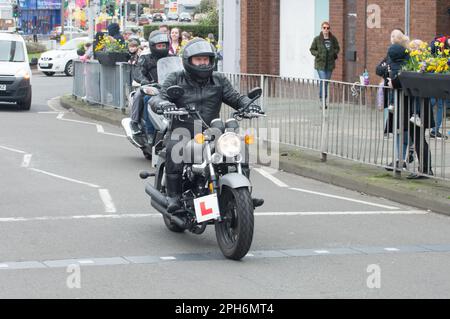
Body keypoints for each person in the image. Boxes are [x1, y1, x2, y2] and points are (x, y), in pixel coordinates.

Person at [149, 38, 265, 213]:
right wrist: (163, 104)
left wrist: (248, 104)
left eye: (206, 60)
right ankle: (174, 196)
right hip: (184, 129)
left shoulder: (218, 80)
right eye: (199, 60)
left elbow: (235, 97)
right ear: (189, 61)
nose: (203, 64)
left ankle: (242, 195)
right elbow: (158, 97)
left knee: (238, 146)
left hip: (212, 130)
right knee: (175, 148)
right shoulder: (176, 78)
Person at [387, 44, 434, 179]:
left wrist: (393, 83)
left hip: (417, 111)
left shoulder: (413, 66)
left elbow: (402, 80)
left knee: (419, 139)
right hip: (417, 109)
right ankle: (425, 169)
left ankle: (425, 170)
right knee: (418, 139)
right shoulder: (413, 64)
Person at [129, 31, 170, 139]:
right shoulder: (145, 58)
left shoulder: (172, 58)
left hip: (168, 88)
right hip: (151, 87)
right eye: (159, 46)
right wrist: (144, 81)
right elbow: (138, 72)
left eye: (163, 46)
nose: (161, 48)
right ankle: (137, 124)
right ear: (153, 46)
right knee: (141, 96)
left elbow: (180, 70)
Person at [309, 21, 340, 108]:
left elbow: (337, 48)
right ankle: (323, 101)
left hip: (329, 65)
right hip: (320, 65)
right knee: (323, 81)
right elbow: (312, 49)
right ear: (321, 29)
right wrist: (318, 54)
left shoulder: (333, 39)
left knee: (325, 83)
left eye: (327, 28)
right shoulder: (317, 39)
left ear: (329, 29)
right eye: (324, 28)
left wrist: (334, 53)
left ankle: (322, 99)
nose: (326, 29)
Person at [429, 35, 450, 139]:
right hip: (432, 79)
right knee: (431, 102)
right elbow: (428, 58)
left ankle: (435, 130)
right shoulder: (436, 43)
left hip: (442, 80)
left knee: (440, 104)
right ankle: (417, 119)